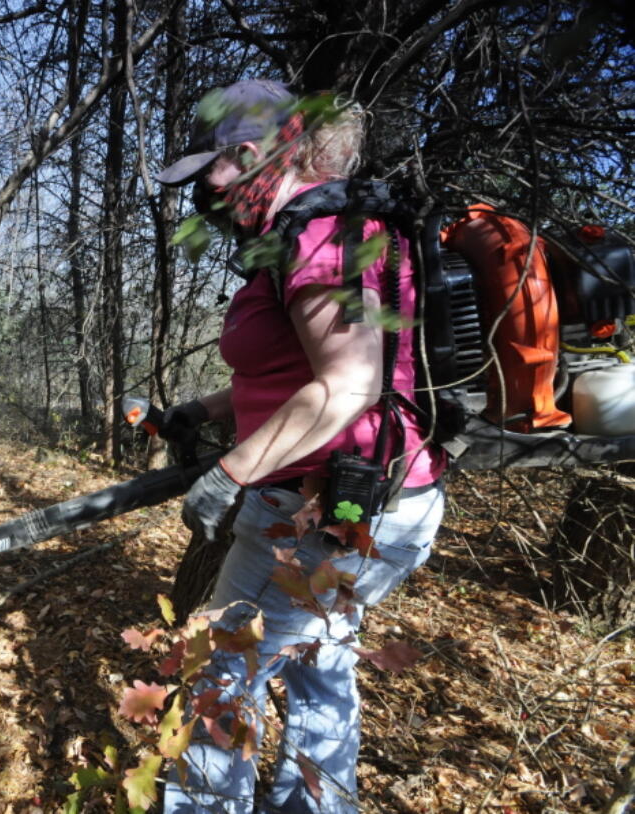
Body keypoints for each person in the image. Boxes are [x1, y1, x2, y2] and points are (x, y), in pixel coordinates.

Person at [154, 80, 446, 813]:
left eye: (209, 176)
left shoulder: (316, 232)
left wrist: (230, 474)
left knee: (222, 677)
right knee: (319, 668)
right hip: (382, 501)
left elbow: (349, 383)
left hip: (316, 513)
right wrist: (205, 410)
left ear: (248, 157)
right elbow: (304, 370)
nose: (206, 198)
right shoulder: (336, 224)